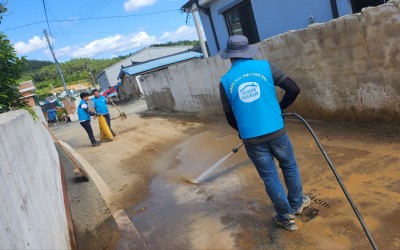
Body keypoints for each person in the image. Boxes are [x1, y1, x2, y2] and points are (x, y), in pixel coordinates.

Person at [219, 35, 310, 231]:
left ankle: (286, 217)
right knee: (289, 166)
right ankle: (297, 204)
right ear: (248, 52)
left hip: (252, 139)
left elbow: (229, 117)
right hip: (277, 132)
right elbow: (294, 89)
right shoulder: (267, 67)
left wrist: (243, 131)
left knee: (270, 177)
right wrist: (279, 109)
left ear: (230, 56)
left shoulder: (226, 81)